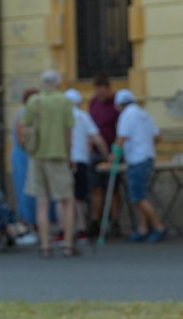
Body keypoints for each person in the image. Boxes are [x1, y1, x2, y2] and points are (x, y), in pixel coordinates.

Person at [23, 70, 78, 257]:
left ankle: (45, 246)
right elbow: (68, 132)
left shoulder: (34, 101)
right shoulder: (64, 102)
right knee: (67, 201)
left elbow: (25, 127)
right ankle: (68, 245)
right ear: (58, 83)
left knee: (42, 203)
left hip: (37, 157)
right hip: (58, 156)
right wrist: (70, 155)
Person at [114, 89, 166, 242]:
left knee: (137, 197)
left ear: (119, 105)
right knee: (140, 194)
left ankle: (158, 226)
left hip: (136, 159)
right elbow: (157, 136)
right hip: (147, 157)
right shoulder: (143, 113)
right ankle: (142, 228)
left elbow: (121, 138)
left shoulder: (126, 115)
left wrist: (113, 157)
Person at [63, 88, 109, 246]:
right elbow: (97, 139)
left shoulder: (61, 117)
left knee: (64, 198)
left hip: (64, 160)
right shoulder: (83, 116)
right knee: (80, 197)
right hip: (81, 159)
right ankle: (82, 229)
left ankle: (65, 231)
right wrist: (107, 156)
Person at [89, 74, 122, 237]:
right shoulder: (93, 102)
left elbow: (121, 129)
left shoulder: (116, 104)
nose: (100, 96)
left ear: (109, 89)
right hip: (96, 153)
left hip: (112, 153)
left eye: (102, 93)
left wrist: (115, 151)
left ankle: (115, 221)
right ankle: (96, 221)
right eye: (97, 92)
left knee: (113, 188)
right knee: (96, 188)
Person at [10, 87, 40, 246]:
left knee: (31, 193)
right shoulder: (23, 114)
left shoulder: (27, 113)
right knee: (25, 192)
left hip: (28, 156)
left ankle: (32, 224)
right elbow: (22, 140)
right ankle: (27, 224)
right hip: (24, 157)